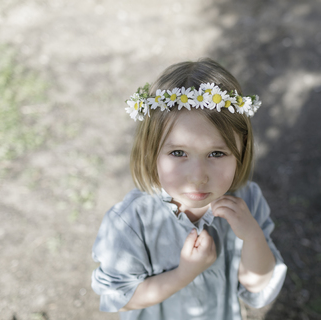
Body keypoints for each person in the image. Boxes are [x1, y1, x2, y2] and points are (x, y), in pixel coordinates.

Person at [91, 58, 287, 320]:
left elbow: (258, 284)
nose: (197, 177)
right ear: (152, 152)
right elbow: (121, 298)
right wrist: (185, 273)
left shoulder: (248, 200)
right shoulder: (130, 221)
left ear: (241, 152)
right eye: (178, 152)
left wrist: (252, 235)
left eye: (216, 153)